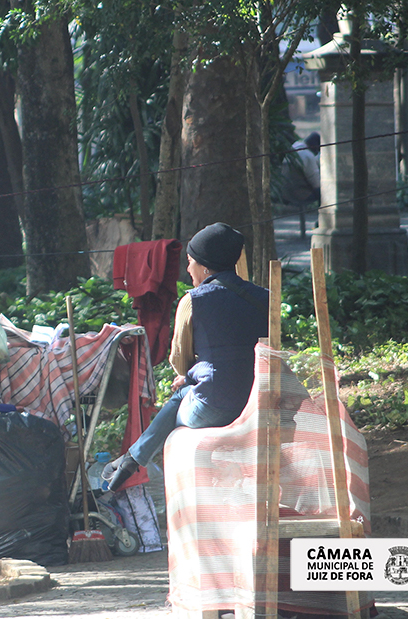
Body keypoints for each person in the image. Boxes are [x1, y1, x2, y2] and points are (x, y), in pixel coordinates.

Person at [105, 222, 269, 492]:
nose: (187, 269)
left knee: (182, 393)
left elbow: (179, 363)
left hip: (214, 408)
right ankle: (132, 458)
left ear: (205, 267)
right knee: (191, 386)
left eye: (190, 262)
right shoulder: (265, 297)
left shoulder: (193, 300)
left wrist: (188, 375)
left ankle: (133, 459)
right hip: (259, 400)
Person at [280, 132, 321, 237]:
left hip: (284, 191)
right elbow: (315, 181)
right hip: (298, 192)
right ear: (314, 146)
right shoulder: (308, 155)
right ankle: (322, 222)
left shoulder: (294, 148)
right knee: (326, 194)